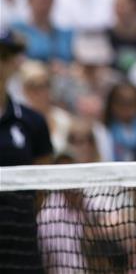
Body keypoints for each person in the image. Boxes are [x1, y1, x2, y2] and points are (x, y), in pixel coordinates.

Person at [0, 30, 53, 272]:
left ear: (13, 63)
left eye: (4, 56)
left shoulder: (33, 122)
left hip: (21, 243)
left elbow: (42, 184)